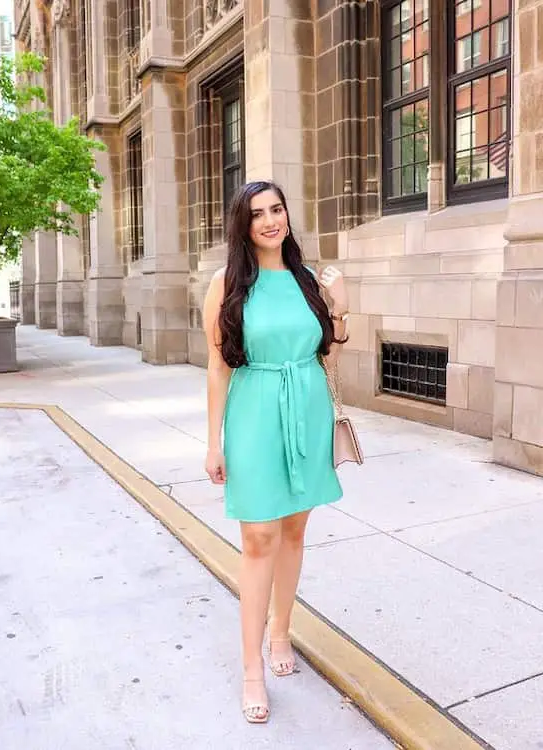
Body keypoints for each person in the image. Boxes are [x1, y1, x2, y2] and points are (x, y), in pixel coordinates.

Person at [202, 180, 350, 723]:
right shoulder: (226, 283)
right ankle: (250, 669)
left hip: (306, 407)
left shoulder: (308, 279)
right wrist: (213, 441)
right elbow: (218, 366)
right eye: (258, 213)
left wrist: (341, 309)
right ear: (242, 225)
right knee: (258, 535)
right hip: (254, 411)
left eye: (278, 209)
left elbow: (330, 353)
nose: (271, 220)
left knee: (293, 530)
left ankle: (281, 632)